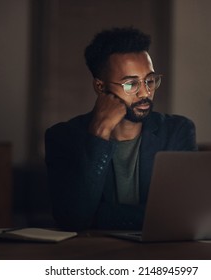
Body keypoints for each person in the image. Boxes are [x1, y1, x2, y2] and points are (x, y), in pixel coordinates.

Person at [45, 27, 197, 231]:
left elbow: (182, 213)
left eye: (150, 80)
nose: (145, 92)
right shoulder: (63, 137)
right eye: (131, 84)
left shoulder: (176, 131)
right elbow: (72, 218)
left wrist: (99, 217)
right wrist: (99, 133)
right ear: (100, 87)